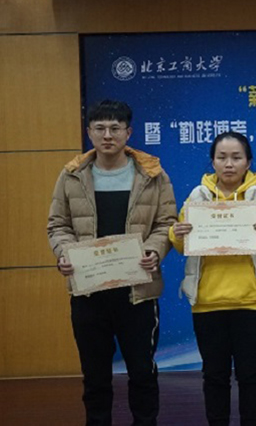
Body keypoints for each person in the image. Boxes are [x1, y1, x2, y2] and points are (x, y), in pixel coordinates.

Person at [47, 99, 177, 426]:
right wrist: (64, 253)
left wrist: (154, 250)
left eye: (115, 128)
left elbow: (166, 223)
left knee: (142, 373)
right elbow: (58, 225)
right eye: (100, 128)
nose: (108, 135)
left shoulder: (152, 174)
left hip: (138, 292)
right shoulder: (72, 175)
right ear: (89, 132)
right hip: (89, 291)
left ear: (128, 133)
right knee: (95, 377)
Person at [169, 131, 256, 426]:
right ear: (212, 161)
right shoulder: (197, 197)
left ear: (248, 161)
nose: (229, 164)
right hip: (207, 303)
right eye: (222, 157)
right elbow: (182, 245)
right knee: (214, 376)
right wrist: (176, 233)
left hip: (252, 302)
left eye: (236, 157)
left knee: (251, 374)